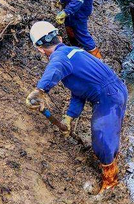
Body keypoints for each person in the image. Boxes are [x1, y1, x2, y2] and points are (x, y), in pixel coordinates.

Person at [25, 21, 128, 193]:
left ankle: (111, 183)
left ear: (40, 49)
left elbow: (56, 67)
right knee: (110, 134)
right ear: (59, 38)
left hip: (107, 97)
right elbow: (79, 91)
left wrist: (40, 90)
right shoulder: (75, 51)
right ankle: (112, 159)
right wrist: (69, 117)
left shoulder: (60, 57)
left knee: (102, 140)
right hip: (117, 91)